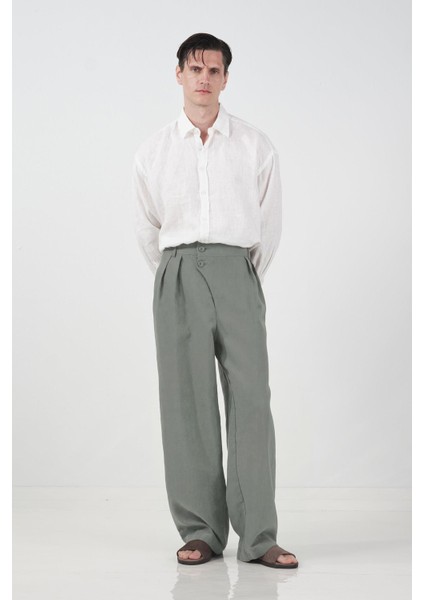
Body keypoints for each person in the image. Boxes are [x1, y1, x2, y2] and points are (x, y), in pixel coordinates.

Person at [132, 32, 298, 569]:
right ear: (178, 73)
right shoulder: (153, 151)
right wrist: (175, 276)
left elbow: (268, 226)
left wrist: (240, 276)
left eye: (214, 70)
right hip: (177, 269)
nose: (204, 78)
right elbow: (147, 227)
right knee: (186, 401)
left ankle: (260, 536)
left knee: (251, 401)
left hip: (237, 269)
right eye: (195, 68)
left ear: (226, 78)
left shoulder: (254, 145)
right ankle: (200, 530)